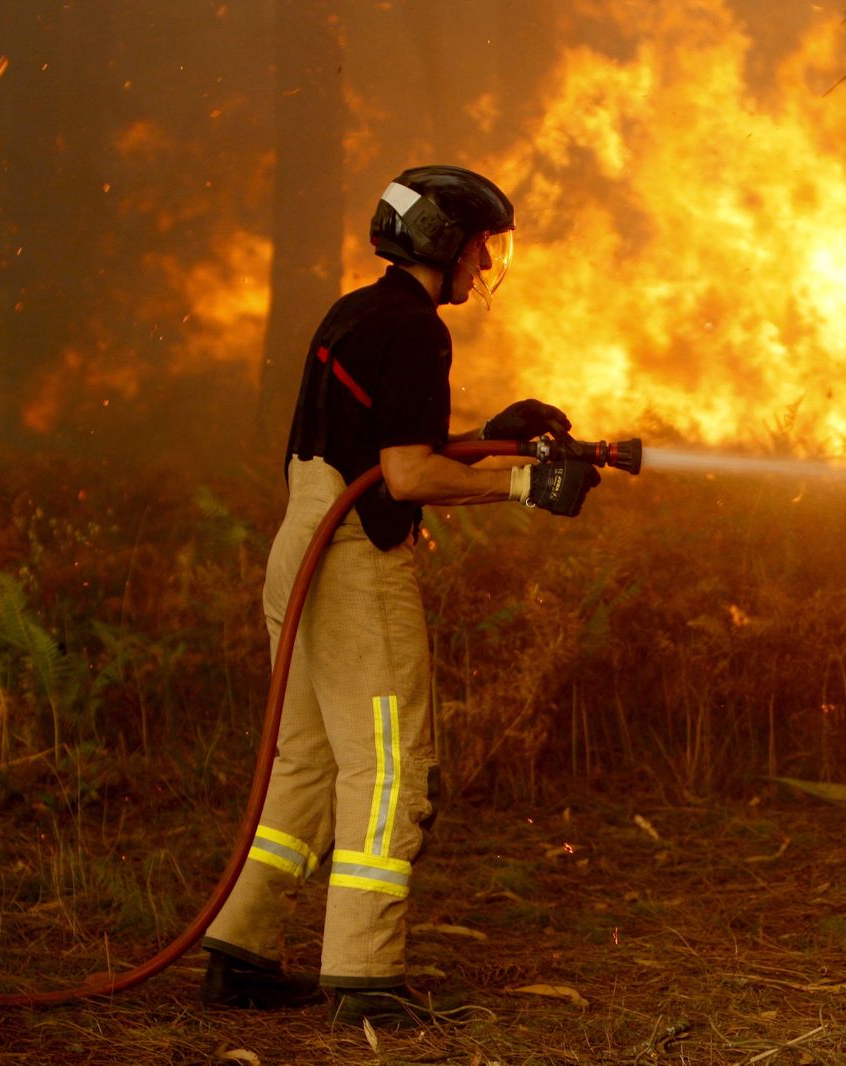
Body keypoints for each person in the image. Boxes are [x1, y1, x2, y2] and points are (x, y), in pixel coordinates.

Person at [197, 165, 601, 1029]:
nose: (484, 266)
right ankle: (364, 973)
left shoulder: (356, 312)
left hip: (301, 543)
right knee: (390, 767)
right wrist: (526, 484)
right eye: (480, 248)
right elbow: (406, 475)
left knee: (307, 763)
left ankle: (241, 950)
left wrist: (493, 437)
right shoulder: (418, 331)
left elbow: (382, 445)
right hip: (353, 561)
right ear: (444, 243)